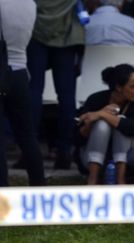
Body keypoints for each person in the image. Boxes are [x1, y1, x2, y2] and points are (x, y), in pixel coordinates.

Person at [27, 0, 85, 169]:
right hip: (66, 34)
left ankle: (29, 150)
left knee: (34, 91)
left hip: (36, 31)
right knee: (67, 96)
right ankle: (64, 150)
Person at [0, 0, 46, 186]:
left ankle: (2, 188)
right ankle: (39, 185)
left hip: (2, 70)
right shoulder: (30, 4)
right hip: (20, 71)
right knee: (27, 135)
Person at [77, 64, 134, 185]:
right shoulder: (95, 99)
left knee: (121, 122)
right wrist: (96, 118)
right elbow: (79, 136)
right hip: (91, 158)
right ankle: (92, 180)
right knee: (102, 125)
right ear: (119, 87)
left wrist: (102, 115)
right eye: (133, 86)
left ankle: (120, 180)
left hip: (126, 162)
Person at [85, 0, 134, 73]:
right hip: (126, 81)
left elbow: (76, 62)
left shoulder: (85, 24)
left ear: (97, 2)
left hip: (89, 80)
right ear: (120, 4)